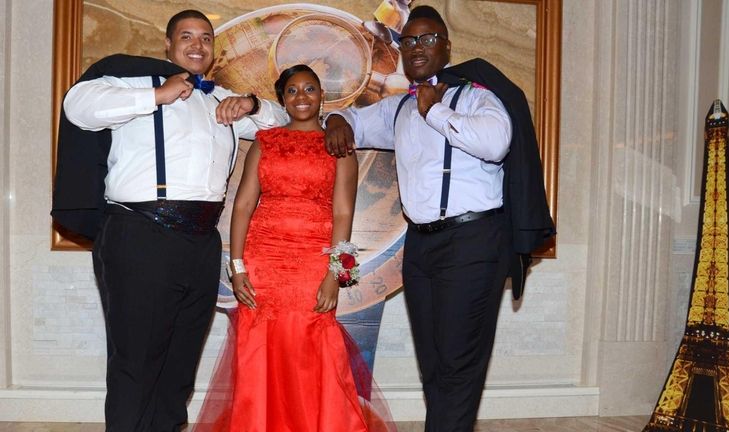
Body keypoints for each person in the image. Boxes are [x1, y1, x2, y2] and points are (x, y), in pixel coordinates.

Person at [324, 5, 554, 432]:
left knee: (459, 362)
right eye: (409, 40)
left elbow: (495, 142)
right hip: (421, 246)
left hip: (473, 241)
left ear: (446, 47)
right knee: (433, 361)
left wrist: (436, 111)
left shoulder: (476, 95)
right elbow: (353, 119)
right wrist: (338, 118)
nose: (417, 47)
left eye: (428, 39)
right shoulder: (400, 109)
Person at [56, 9, 288, 431]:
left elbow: (285, 121)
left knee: (179, 367)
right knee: (136, 363)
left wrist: (252, 102)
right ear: (167, 44)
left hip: (201, 241)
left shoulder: (221, 98)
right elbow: (78, 105)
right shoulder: (132, 82)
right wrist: (155, 97)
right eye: (187, 36)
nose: (197, 45)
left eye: (205, 38)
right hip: (140, 234)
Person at [194, 65, 394, 432]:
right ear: (282, 99)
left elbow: (344, 213)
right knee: (259, 346)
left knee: (311, 346)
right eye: (292, 91)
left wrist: (336, 274)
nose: (301, 96)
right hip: (263, 261)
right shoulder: (265, 142)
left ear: (322, 97)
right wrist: (237, 268)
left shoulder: (339, 146)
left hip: (311, 263)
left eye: (310, 89)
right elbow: (242, 206)